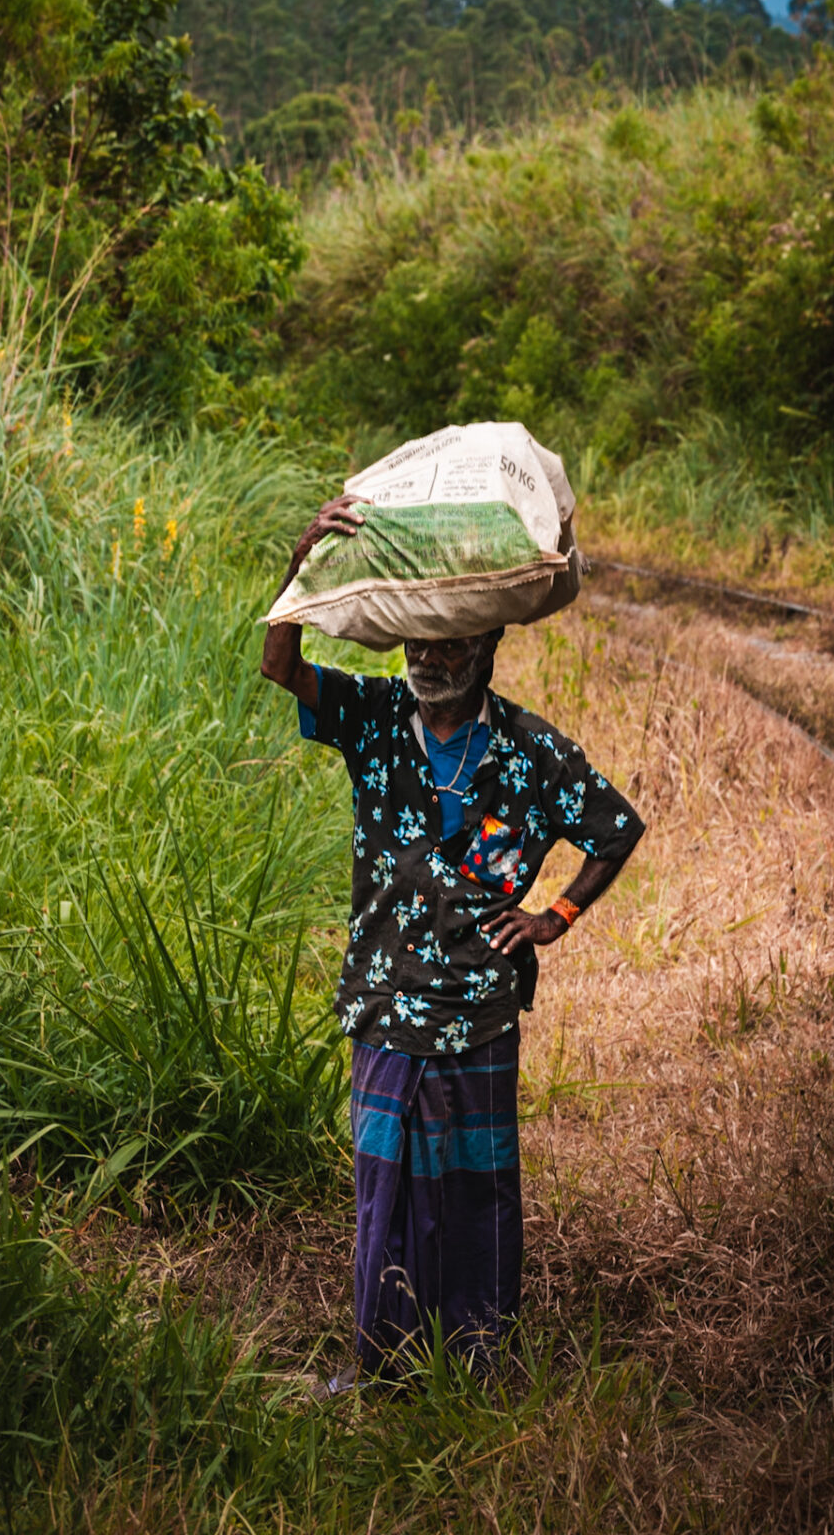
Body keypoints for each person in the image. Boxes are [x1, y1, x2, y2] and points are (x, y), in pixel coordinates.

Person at [261, 495, 644, 1388]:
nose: (430, 660)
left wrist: (558, 915)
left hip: (478, 1003)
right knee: (384, 1190)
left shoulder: (529, 751)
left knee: (474, 1188)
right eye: (419, 645)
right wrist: (303, 556)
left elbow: (616, 829)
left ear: (486, 650)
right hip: (386, 997)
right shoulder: (372, 717)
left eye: (449, 646)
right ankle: (377, 1360)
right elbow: (282, 663)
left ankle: (478, 1358)